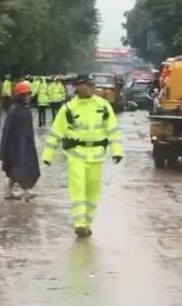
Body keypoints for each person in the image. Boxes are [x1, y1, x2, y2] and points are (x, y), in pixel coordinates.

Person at [42, 74, 124, 237]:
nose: (92, 88)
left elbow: (113, 130)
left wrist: (117, 151)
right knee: (78, 189)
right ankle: (79, 224)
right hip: (76, 155)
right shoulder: (69, 109)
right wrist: (48, 154)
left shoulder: (103, 106)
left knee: (92, 191)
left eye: (92, 85)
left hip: (97, 156)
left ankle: (87, 223)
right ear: (78, 87)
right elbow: (56, 132)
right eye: (88, 85)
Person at [0, 82, 41, 201]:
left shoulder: (23, 109)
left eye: (29, 94)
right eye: (25, 94)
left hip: (23, 144)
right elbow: (10, 131)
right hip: (16, 146)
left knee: (15, 168)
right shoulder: (15, 110)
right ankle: (26, 191)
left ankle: (8, 191)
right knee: (19, 168)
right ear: (20, 96)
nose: (28, 97)